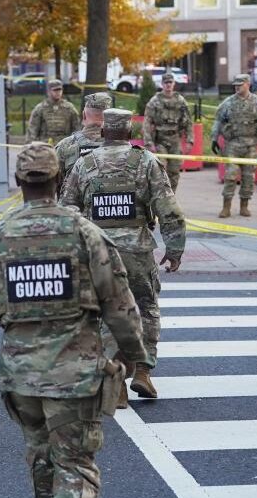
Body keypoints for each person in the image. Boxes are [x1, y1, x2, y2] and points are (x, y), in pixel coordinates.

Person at [0, 142, 146, 498]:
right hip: (75, 374)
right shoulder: (84, 233)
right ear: (59, 181)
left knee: (41, 454)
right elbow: (118, 302)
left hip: (20, 378)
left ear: (19, 184)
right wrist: (136, 356)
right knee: (76, 462)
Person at [60, 108, 185, 405]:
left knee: (105, 313)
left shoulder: (83, 164)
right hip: (137, 252)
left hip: (98, 252)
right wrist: (174, 247)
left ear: (104, 132)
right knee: (147, 308)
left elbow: (67, 209)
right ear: (130, 133)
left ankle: (115, 375)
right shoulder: (145, 162)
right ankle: (143, 370)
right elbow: (168, 209)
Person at [210, 74, 257, 218]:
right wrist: (214, 138)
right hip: (232, 144)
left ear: (248, 84)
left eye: (240, 84)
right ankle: (226, 207)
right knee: (230, 175)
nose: (237, 87)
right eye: (235, 85)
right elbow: (218, 121)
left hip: (251, 145)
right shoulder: (228, 103)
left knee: (248, 177)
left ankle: (244, 206)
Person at [143, 72, 193, 191]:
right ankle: (160, 199)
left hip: (175, 140)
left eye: (170, 82)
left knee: (174, 172)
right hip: (160, 140)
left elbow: (188, 122)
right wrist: (149, 142)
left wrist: (190, 140)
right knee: (160, 171)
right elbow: (147, 122)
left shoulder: (180, 100)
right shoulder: (155, 101)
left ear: (174, 84)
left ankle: (171, 199)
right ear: (162, 84)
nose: (168, 85)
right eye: (166, 83)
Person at [53, 92, 110, 189]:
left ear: (84, 115)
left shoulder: (64, 147)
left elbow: (53, 184)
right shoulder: (121, 145)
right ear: (110, 117)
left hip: (72, 204)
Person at [28, 79, 81, 144]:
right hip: (45, 145)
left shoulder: (69, 108)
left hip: (65, 144)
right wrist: (31, 145)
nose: (58, 92)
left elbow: (77, 127)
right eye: (55, 90)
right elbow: (32, 129)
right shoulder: (40, 108)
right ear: (49, 91)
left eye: (60, 90)